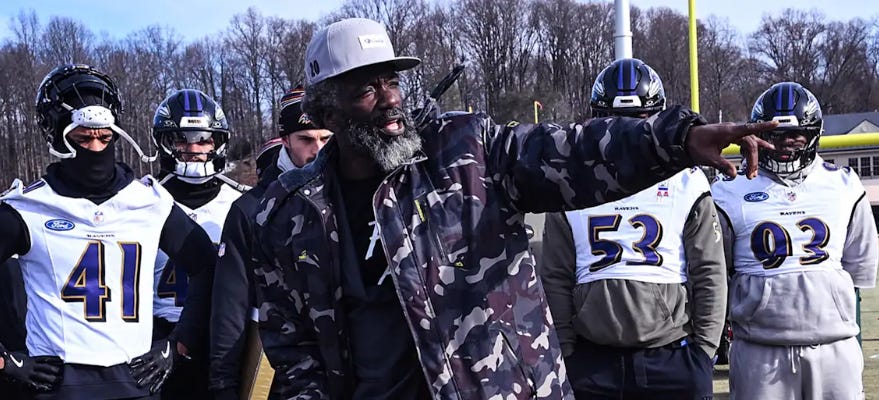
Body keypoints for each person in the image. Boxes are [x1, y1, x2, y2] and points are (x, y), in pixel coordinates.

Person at [250, 18, 777, 400]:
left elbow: (573, 151)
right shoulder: (288, 216)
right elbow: (295, 354)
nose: (390, 99)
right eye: (367, 88)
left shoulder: (465, 151)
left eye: (393, 82)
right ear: (326, 108)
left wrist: (676, 139)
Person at [0, 64, 216, 399]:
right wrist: (7, 362)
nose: (96, 148)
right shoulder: (26, 208)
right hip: (59, 385)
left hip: (137, 381)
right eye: (83, 138)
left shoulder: (149, 203)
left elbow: (206, 265)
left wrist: (178, 343)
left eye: (104, 137)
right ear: (56, 136)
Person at [540, 58, 725, 399]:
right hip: (593, 358)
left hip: (670, 354)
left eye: (639, 119)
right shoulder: (571, 180)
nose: (626, 130)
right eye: (614, 119)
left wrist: (704, 351)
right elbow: (555, 275)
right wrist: (567, 352)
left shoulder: (686, 180)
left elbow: (709, 271)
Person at [712, 82, 879, 400]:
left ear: (813, 135)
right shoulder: (728, 190)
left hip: (834, 344)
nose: (786, 144)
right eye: (776, 135)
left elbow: (858, 271)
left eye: (796, 135)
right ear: (758, 134)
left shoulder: (843, 185)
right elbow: (718, 272)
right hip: (759, 347)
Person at [209, 87, 332, 399]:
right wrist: (223, 384)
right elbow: (230, 307)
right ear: (285, 140)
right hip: (280, 372)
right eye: (306, 139)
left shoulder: (351, 195)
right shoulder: (250, 210)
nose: (318, 150)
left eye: (326, 139)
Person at [150, 89, 247, 399]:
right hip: (157, 336)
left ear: (218, 143)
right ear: (164, 143)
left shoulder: (240, 204)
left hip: (221, 338)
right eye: (182, 140)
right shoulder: (141, 201)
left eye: (204, 140)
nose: (194, 149)